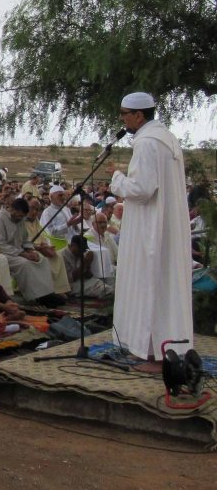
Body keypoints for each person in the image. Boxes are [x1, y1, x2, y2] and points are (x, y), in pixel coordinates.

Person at [109, 92, 193, 370]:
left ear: (138, 116)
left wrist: (117, 178)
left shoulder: (146, 143)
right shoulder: (167, 139)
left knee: (149, 286)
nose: (122, 119)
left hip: (150, 229)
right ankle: (151, 349)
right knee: (160, 286)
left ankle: (155, 356)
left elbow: (142, 190)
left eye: (124, 114)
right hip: (164, 226)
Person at [0, 198, 65, 307]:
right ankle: (36, 296)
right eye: (19, 216)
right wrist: (24, 254)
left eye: (22, 217)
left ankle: (47, 293)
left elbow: (25, 239)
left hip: (18, 251)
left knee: (42, 260)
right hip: (3, 252)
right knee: (25, 264)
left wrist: (31, 250)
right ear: (11, 210)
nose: (20, 219)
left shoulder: (21, 219)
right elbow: (0, 244)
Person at [23, 198, 72, 296]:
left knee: (57, 256)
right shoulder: (21, 221)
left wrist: (47, 246)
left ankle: (59, 289)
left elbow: (43, 238)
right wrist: (39, 248)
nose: (34, 212)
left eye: (37, 209)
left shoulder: (36, 221)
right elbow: (23, 242)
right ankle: (47, 290)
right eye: (32, 208)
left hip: (40, 248)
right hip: (28, 250)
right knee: (42, 258)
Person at [62, 235, 114, 300]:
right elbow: (71, 278)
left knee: (103, 285)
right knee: (102, 290)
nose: (83, 252)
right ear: (73, 245)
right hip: (70, 285)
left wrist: (88, 263)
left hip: (83, 281)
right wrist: (85, 262)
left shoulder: (80, 253)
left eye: (84, 250)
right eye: (81, 249)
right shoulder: (63, 256)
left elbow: (89, 276)